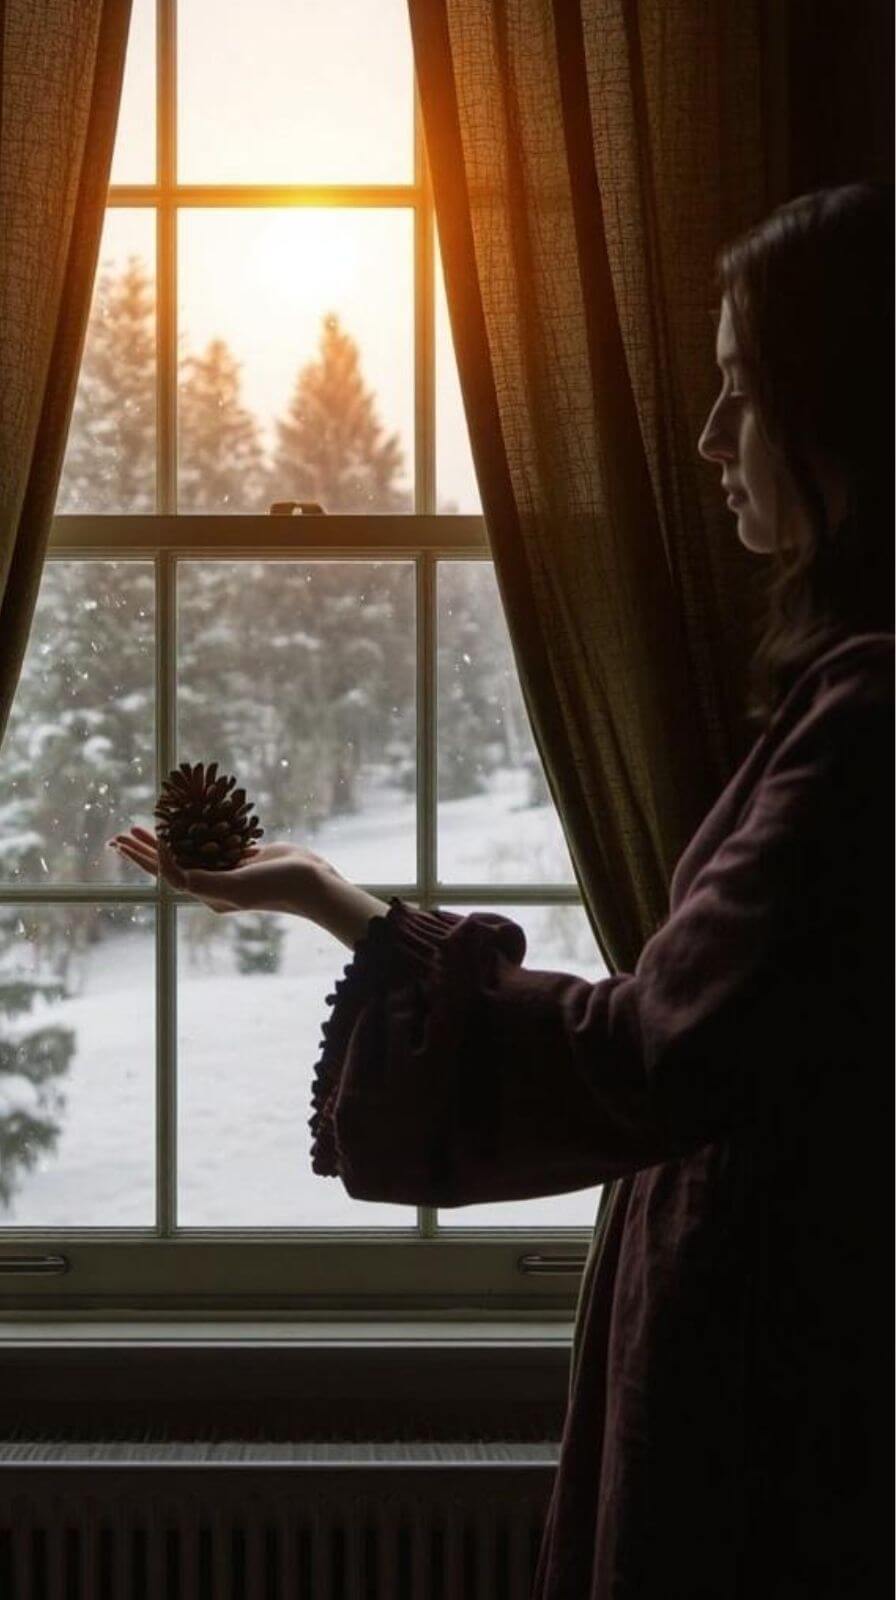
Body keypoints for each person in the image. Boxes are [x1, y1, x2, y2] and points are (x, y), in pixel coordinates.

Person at [110, 181, 893, 1598]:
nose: (708, 436)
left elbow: (647, 1052)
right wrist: (329, 895)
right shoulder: (845, 696)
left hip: (792, 1376)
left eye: (742, 389)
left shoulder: (872, 721)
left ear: (842, 408)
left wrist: (342, 907)